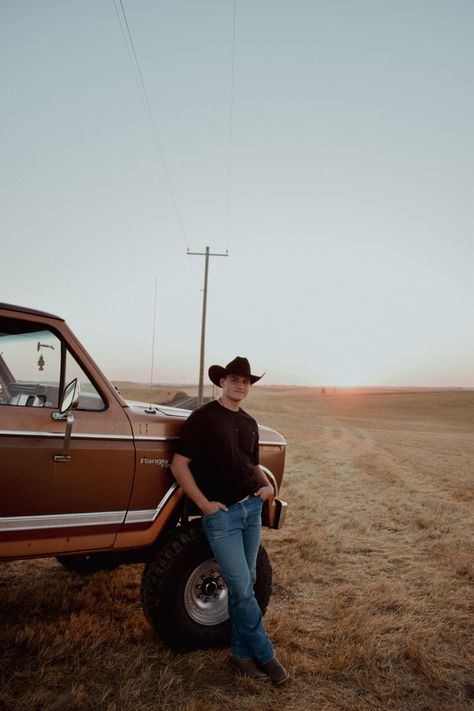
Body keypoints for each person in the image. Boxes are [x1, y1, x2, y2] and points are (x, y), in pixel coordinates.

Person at [171, 356, 289, 686]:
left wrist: (265, 486)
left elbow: (250, 463)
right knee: (240, 587)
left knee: (246, 585)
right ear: (222, 382)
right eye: (235, 380)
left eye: (246, 382)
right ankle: (266, 655)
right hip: (221, 517)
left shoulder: (250, 422)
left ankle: (239, 654)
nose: (241, 385)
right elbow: (179, 465)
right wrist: (204, 504)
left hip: (251, 511)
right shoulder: (203, 418)